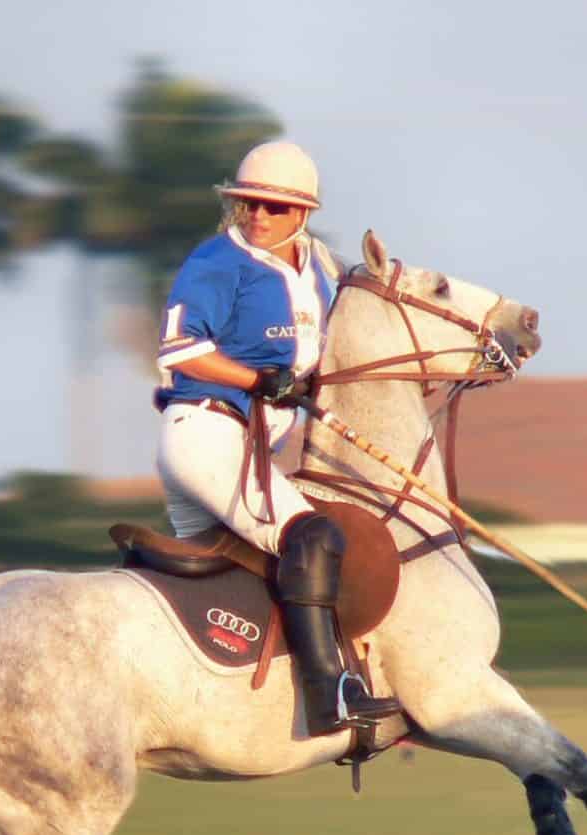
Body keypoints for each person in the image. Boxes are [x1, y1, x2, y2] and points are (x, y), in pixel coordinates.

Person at [153, 140, 401, 737]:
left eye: (274, 208)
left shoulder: (323, 270)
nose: (259, 217)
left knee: (248, 578)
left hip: (253, 450)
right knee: (312, 534)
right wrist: (259, 378)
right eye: (250, 205)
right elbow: (181, 350)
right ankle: (331, 696)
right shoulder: (217, 262)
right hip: (206, 434)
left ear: (304, 215)